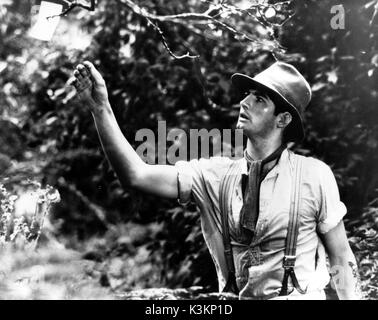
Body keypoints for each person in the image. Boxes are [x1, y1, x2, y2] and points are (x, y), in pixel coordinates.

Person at [71, 61, 363, 300]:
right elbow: (136, 175)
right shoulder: (215, 175)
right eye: (247, 94)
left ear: (283, 120)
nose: (244, 101)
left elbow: (340, 257)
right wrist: (101, 109)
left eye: (259, 99)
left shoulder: (314, 175)